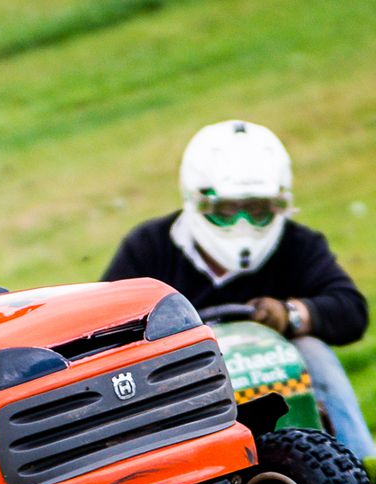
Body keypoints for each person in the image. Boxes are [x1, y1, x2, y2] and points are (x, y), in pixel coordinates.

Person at [102, 119, 376, 460]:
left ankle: (360, 467)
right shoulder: (150, 248)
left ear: (279, 205)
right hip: (181, 387)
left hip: (276, 387)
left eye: (258, 210)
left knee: (312, 351)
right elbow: (106, 330)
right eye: (228, 211)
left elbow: (350, 310)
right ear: (198, 202)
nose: (242, 223)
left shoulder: (296, 244)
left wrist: (288, 316)